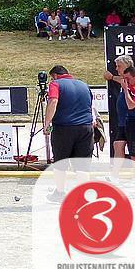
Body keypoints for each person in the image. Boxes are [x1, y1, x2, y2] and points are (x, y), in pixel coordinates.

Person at [44, 65, 94, 202]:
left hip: (64, 128)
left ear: (55, 75)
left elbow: (53, 101)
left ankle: (60, 193)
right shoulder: (84, 85)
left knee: (61, 162)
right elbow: (90, 105)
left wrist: (47, 123)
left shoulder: (55, 84)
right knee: (82, 164)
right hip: (86, 127)